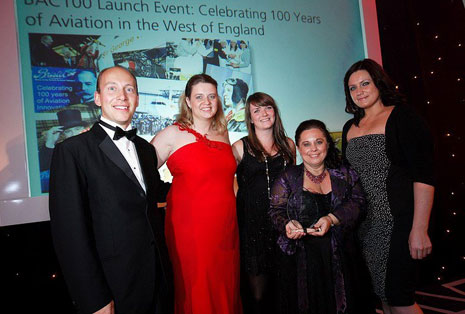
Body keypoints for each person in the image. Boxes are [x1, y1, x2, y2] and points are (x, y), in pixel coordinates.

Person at [49, 65, 173, 314]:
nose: (122, 96)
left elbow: (153, 196)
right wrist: (94, 299)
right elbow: (70, 235)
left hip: (157, 282)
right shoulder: (72, 151)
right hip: (113, 288)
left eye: (129, 89)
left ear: (137, 98)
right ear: (97, 98)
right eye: (112, 88)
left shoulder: (146, 149)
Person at [342, 58, 435, 314]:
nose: (359, 91)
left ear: (379, 84)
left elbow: (424, 176)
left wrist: (420, 228)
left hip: (398, 222)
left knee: (399, 296)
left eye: (365, 83)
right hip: (365, 227)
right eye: (352, 88)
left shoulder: (402, 116)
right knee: (381, 293)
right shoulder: (349, 127)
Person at [151, 74, 242, 314]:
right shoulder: (172, 133)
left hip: (226, 227)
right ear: (188, 101)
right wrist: (169, 195)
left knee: (225, 284)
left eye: (212, 96)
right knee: (198, 288)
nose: (207, 101)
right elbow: (140, 172)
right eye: (199, 96)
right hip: (190, 229)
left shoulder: (222, 133)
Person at [269, 119, 366, 314]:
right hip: (302, 261)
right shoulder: (287, 176)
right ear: (298, 147)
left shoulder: (346, 174)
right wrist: (288, 224)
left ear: (327, 144)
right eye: (306, 143)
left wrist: (331, 218)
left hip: (341, 256)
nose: (313, 148)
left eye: (318, 142)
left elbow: (358, 203)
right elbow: (275, 210)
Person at [231, 92, 295, 314]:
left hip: (283, 225)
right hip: (252, 227)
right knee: (257, 295)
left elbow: (293, 183)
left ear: (275, 112)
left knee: (284, 286)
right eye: (256, 110)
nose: (263, 114)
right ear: (249, 118)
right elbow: (229, 183)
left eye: (267, 108)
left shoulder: (289, 145)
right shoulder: (239, 147)